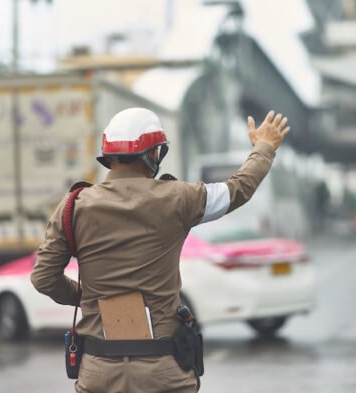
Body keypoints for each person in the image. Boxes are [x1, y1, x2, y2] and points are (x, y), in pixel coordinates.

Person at [30, 107, 290, 393]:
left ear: (109, 155)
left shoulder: (73, 206)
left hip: (98, 368)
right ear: (154, 155)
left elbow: (43, 278)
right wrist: (264, 147)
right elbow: (237, 189)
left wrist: (88, 297)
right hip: (162, 368)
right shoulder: (178, 198)